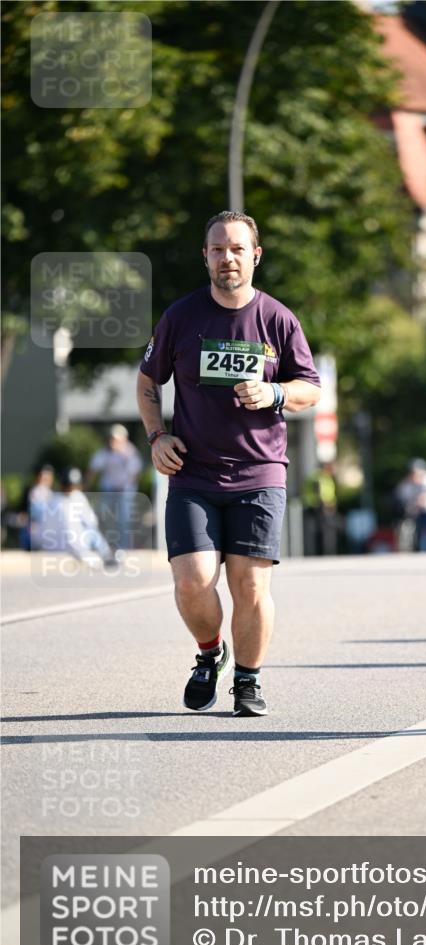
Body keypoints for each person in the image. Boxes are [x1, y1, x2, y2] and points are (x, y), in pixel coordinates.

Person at [136, 210, 321, 717]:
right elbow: (147, 382)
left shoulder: (278, 320)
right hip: (192, 473)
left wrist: (275, 391)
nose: (228, 258)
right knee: (192, 580)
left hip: (260, 473)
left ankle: (247, 680)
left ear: (255, 255)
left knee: (251, 585)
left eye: (237, 249)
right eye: (218, 249)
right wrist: (157, 436)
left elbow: (311, 388)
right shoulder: (180, 316)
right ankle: (210, 653)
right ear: (206, 257)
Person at [40, 468, 116, 566]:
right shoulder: (77, 497)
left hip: (51, 546)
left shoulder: (52, 499)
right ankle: (106, 554)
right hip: (74, 546)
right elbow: (91, 522)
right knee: (92, 532)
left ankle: (105, 553)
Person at [87, 424, 142, 551]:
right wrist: (85, 487)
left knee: (124, 520)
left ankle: (124, 548)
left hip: (125, 492)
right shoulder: (104, 452)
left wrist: (127, 487)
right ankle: (105, 547)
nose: (113, 441)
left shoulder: (130, 452)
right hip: (108, 490)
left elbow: (135, 473)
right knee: (104, 518)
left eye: (116, 439)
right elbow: (93, 470)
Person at [394, 458, 426, 552]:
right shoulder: (408, 482)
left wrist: (413, 504)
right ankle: (425, 562)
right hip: (420, 513)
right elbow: (401, 493)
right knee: (421, 538)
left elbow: (424, 497)